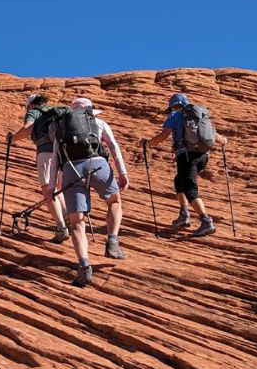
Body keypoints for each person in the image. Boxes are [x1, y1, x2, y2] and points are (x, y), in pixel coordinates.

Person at [50, 97, 128, 287]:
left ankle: (84, 263)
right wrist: (122, 172)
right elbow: (114, 147)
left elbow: (54, 158)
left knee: (76, 222)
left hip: (71, 169)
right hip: (98, 164)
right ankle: (112, 240)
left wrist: (53, 185)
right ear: (90, 111)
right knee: (114, 202)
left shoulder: (61, 128)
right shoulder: (99, 122)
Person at [143, 92, 223, 238]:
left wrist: (148, 144)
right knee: (179, 181)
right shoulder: (199, 115)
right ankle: (184, 215)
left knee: (190, 190)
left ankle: (206, 221)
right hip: (203, 156)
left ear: (175, 106)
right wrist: (223, 140)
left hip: (186, 157)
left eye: (172, 108)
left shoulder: (175, 116)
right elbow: (214, 135)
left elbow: (163, 136)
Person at [9, 93, 69, 243]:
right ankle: (69, 219)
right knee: (57, 187)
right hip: (63, 153)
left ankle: (61, 227)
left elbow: (27, 129)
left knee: (48, 188)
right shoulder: (55, 112)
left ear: (30, 105)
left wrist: (12, 139)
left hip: (46, 152)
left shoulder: (33, 112)